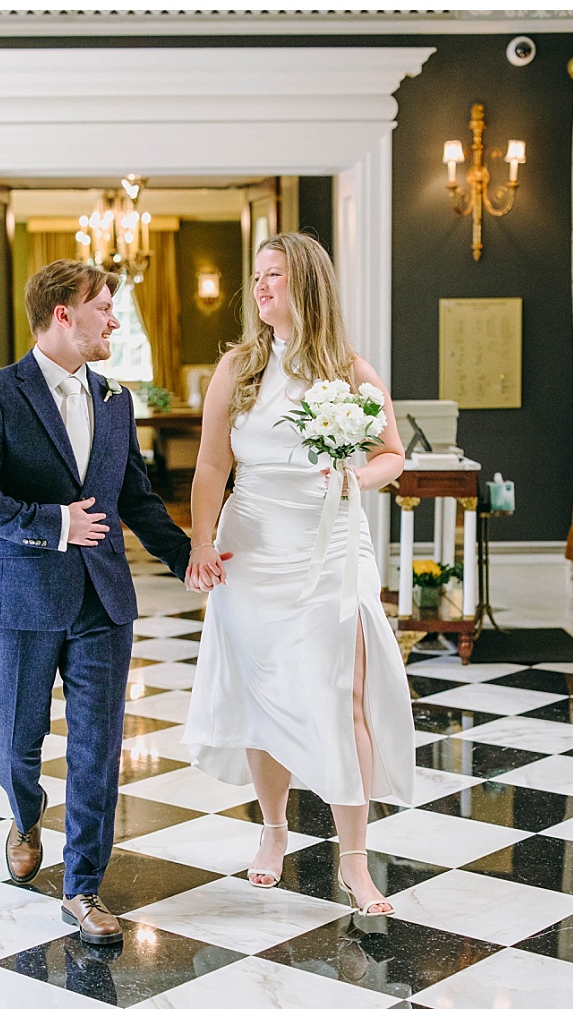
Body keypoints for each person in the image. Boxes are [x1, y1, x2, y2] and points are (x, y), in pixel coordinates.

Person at [0, 261, 199, 945]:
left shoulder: (116, 399)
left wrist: (187, 558)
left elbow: (136, 498)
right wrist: (55, 523)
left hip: (103, 602)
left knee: (98, 748)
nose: (114, 320)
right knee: (14, 743)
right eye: (104, 307)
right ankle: (25, 814)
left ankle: (83, 886)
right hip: (22, 599)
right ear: (64, 312)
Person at [181, 232, 414, 916]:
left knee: (344, 692)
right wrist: (200, 542)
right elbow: (211, 468)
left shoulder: (350, 369)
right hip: (251, 545)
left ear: (305, 285)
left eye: (273, 275)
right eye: (256, 276)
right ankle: (274, 831)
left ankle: (355, 862)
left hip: (330, 544)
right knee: (263, 695)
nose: (259, 287)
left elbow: (391, 454)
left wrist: (354, 474)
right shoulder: (238, 367)